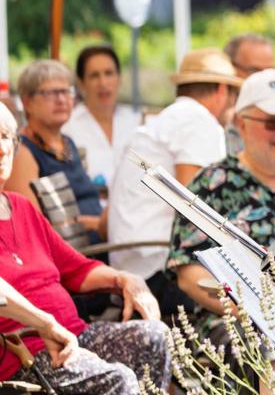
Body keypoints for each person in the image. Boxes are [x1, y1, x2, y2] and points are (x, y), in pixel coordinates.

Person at [0, 103, 170, 393]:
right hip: (26, 355)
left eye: (5, 136)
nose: (1, 149)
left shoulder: (22, 207)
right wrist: (45, 323)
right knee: (118, 380)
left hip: (74, 335)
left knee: (155, 336)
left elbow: (77, 269)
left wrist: (124, 278)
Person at [167, 69, 275, 328]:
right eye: (274, 122)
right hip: (238, 323)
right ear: (241, 123)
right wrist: (255, 314)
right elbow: (189, 273)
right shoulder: (212, 184)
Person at [107, 49, 241, 312]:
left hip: (132, 264)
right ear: (223, 91)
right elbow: (197, 212)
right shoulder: (198, 121)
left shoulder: (162, 122)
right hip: (157, 272)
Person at [7, 60, 103, 240]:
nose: (61, 99)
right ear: (27, 102)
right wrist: (96, 223)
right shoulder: (23, 151)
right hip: (71, 258)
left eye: (66, 91)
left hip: (100, 247)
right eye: (50, 93)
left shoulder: (68, 143)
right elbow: (31, 226)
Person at [62, 45, 140, 192]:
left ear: (119, 78)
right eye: (94, 75)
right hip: (89, 211)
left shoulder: (136, 123)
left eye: (109, 73)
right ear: (81, 84)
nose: (103, 83)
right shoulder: (68, 127)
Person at [224, 34, 275, 156]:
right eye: (254, 71)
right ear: (230, 68)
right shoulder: (218, 117)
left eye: (270, 71)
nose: (264, 79)